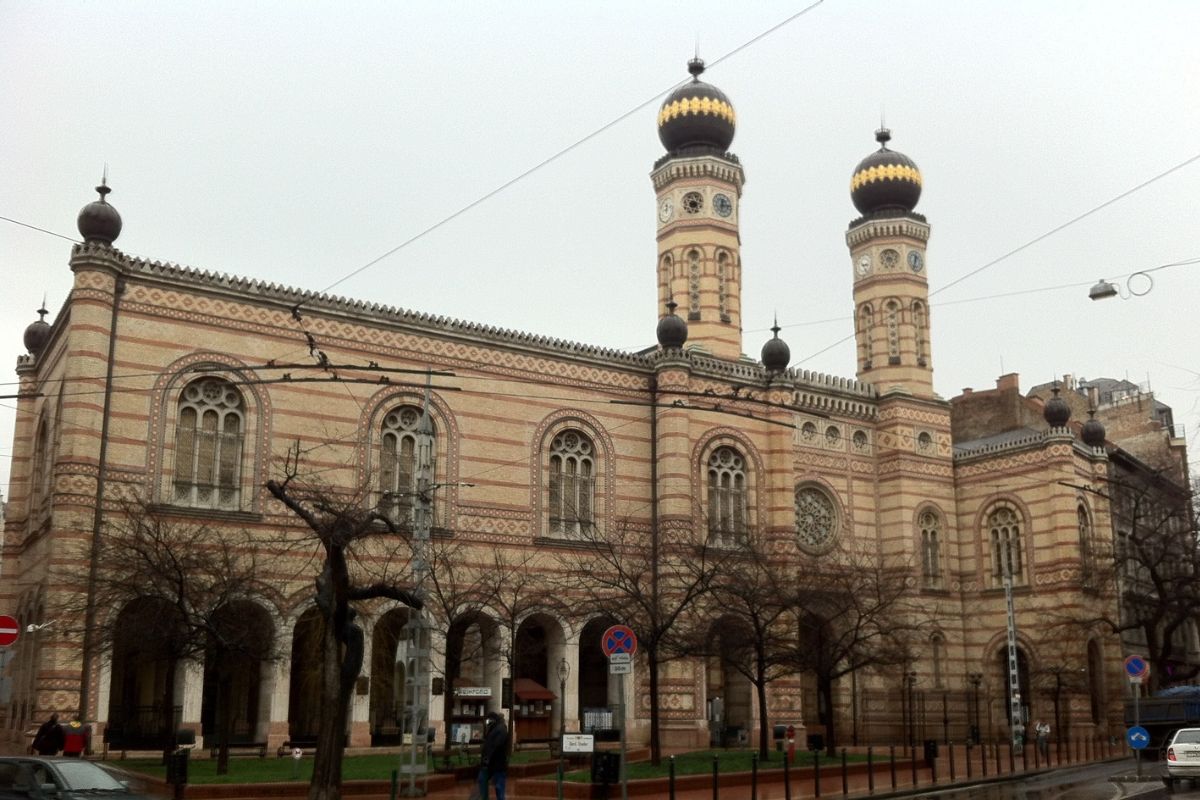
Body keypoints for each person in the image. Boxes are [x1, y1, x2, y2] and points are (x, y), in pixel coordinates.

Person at [477, 711, 509, 800]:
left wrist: (487, 758)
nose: (486, 723)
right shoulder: (493, 729)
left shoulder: (500, 729)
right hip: (490, 764)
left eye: (488, 721)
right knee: (483, 781)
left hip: (497, 764)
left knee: (499, 787)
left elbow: (496, 746)